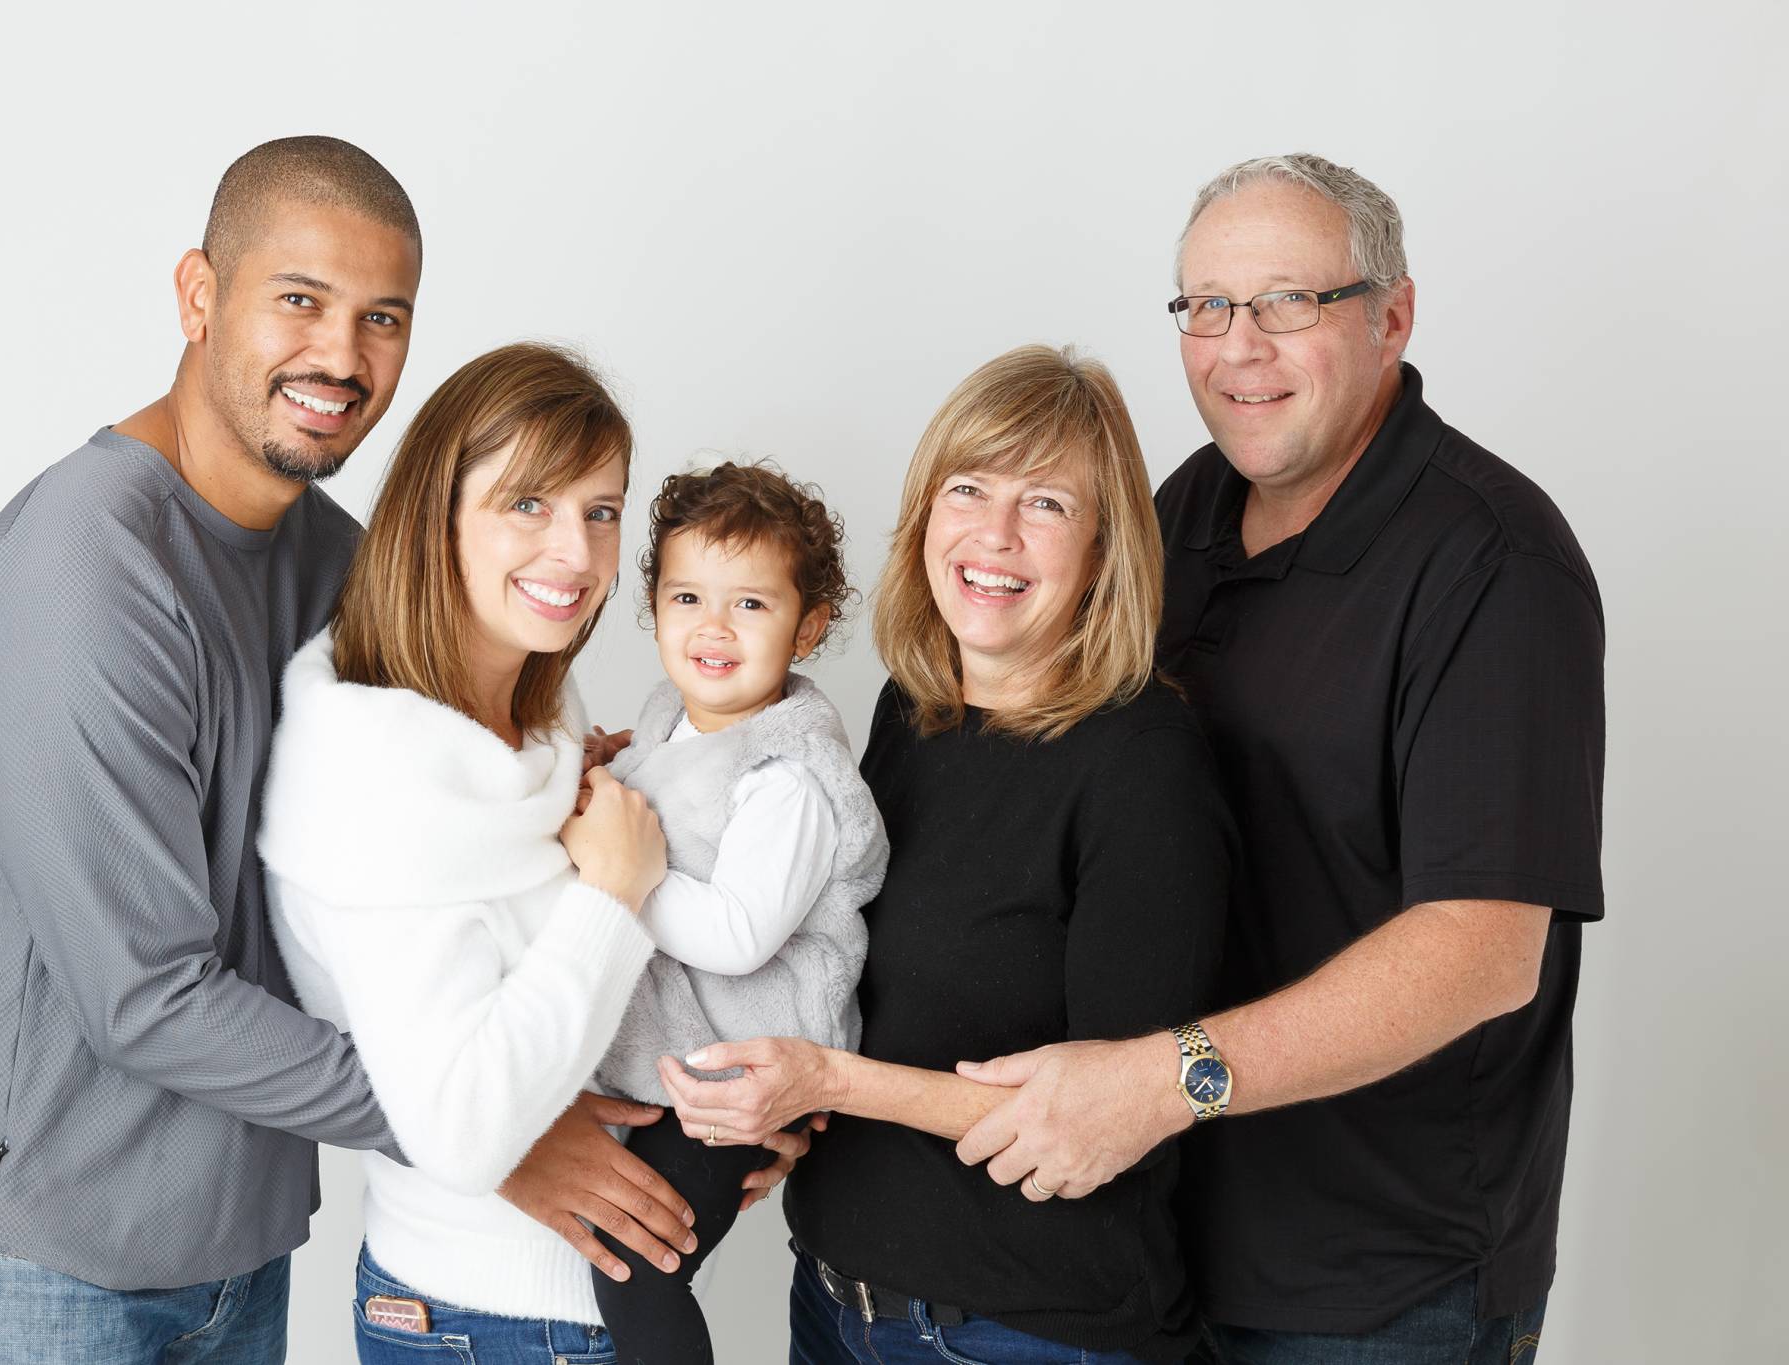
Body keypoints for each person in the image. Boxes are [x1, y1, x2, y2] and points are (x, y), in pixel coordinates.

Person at [951, 154, 1605, 1365]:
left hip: (1376, 1281)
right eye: (1205, 306)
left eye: (1285, 302)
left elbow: (1478, 954)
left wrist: (1158, 1083)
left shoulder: (1493, 565)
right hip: (1152, 1235)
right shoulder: (1183, 511)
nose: (1236, 346)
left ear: (1390, 315)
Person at [0, 135, 427, 1363]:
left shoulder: (334, 561)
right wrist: (482, 1116)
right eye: (300, 301)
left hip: (233, 1246)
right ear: (197, 294)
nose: (340, 355)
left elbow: (441, 830)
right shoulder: (85, 573)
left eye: (382, 318)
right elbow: (148, 995)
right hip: (33, 1266)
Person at [663, 346, 1237, 1364]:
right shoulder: (911, 710)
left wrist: (822, 1083)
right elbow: (839, 963)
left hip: (1020, 1335)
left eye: (1047, 504)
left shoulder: (1142, 768)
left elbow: (1102, 1115)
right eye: (965, 488)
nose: (994, 534)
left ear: (1104, 548)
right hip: (837, 1303)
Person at [257, 344, 811, 1365]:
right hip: (495, 1322)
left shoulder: (539, 716)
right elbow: (464, 1129)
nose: (575, 552)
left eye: (601, 511)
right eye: (529, 504)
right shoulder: (381, 769)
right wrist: (612, 891)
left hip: (563, 1307)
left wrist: (730, 1108)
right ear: (438, 513)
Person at [584, 462, 887, 1365]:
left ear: (810, 624)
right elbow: (660, 788)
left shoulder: (786, 774)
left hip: (739, 1068)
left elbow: (738, 935)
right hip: (674, 1058)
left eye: (751, 605)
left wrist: (620, 875)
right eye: (687, 596)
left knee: (637, 1264)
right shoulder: (669, 721)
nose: (712, 627)